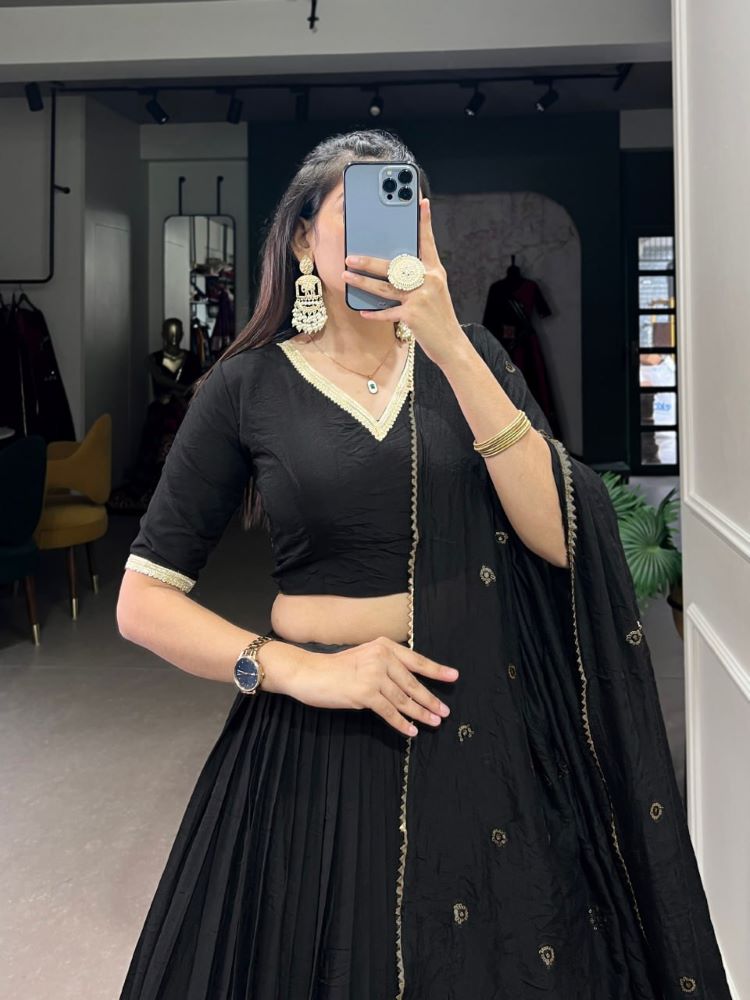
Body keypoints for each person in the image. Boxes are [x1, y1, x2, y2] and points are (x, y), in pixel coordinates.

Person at [116, 129, 732, 1000]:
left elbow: (561, 536)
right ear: (303, 240)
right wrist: (295, 670)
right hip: (317, 735)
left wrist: (450, 345)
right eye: (355, 212)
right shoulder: (246, 386)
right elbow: (142, 600)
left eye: (401, 213)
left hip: (486, 717)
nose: (383, 237)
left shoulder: (470, 357)